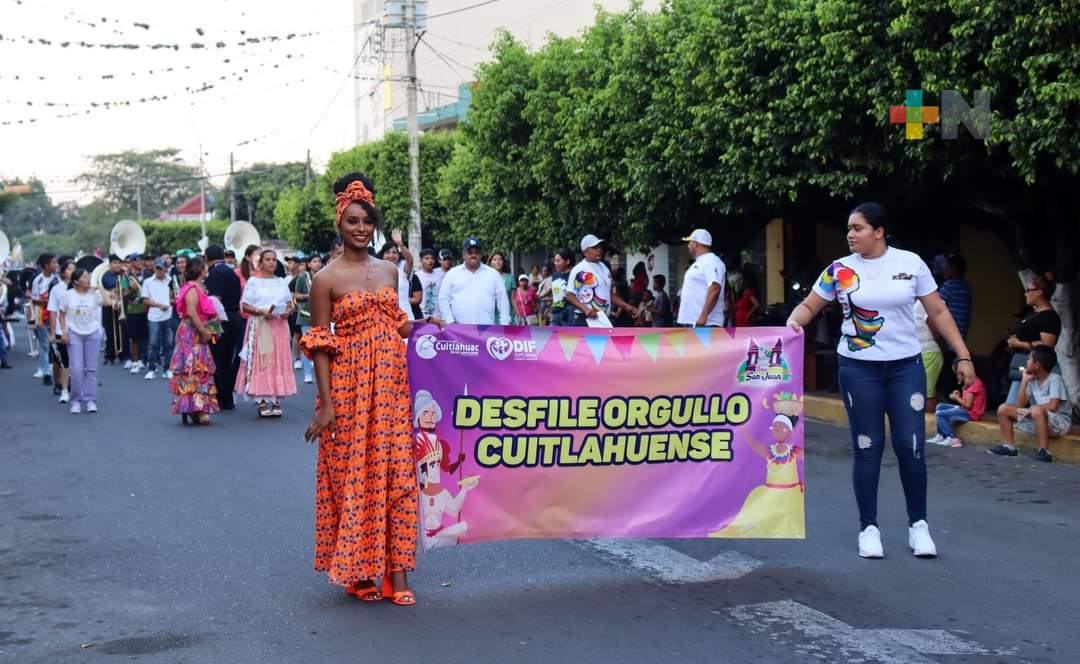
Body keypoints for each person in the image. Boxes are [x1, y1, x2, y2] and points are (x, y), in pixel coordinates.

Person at [785, 202, 974, 559]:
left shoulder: (910, 264)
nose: (850, 235)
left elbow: (938, 310)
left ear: (879, 231)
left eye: (857, 228)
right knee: (867, 448)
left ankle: (919, 526)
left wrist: (962, 354)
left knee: (911, 446)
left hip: (906, 368)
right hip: (859, 369)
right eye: (848, 229)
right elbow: (809, 306)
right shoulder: (838, 270)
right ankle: (868, 528)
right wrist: (795, 321)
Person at [301, 172, 424, 606]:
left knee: (398, 477)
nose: (361, 228)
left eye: (367, 222)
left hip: (392, 384)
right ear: (340, 223)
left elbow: (399, 322)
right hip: (349, 385)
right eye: (353, 220)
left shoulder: (390, 270)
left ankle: (398, 573)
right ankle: (358, 571)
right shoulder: (326, 279)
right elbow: (319, 344)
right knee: (355, 478)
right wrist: (326, 405)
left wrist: (430, 330)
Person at [235, 249, 297, 418]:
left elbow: (289, 303)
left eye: (274, 260)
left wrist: (287, 311)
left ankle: (276, 399)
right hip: (261, 324)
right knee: (263, 361)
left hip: (279, 325)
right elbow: (244, 305)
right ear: (260, 263)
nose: (271, 263)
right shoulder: (253, 281)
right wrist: (261, 311)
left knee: (279, 360)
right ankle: (261, 399)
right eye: (268, 259)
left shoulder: (281, 282)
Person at [991, 346, 1072, 463]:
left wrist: (1032, 409)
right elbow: (1020, 404)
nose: (1026, 362)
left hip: (1058, 423)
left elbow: (1053, 406)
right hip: (1037, 418)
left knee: (1036, 410)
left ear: (1037, 365)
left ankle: (1044, 451)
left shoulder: (1055, 379)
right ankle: (1009, 447)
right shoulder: (1032, 379)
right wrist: (1024, 381)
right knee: (1004, 409)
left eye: (1029, 359)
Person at [169, 256, 220, 425]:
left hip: (198, 330)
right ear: (200, 270)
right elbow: (191, 311)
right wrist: (203, 330)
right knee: (192, 368)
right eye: (205, 268)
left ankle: (199, 406)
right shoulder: (191, 288)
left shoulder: (200, 287)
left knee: (201, 369)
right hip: (192, 332)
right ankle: (194, 407)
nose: (207, 270)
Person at [59, 268, 114, 414]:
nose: (88, 278)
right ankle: (76, 400)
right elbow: (62, 314)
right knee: (76, 370)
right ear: (76, 281)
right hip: (74, 333)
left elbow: (109, 302)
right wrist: (64, 332)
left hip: (92, 333)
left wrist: (100, 288)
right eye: (85, 276)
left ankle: (90, 400)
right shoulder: (68, 295)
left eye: (88, 276)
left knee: (91, 370)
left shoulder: (94, 295)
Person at [1004, 274, 1060, 405]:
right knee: (1011, 408)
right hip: (1023, 366)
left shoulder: (1049, 317)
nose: (1025, 294)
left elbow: (1047, 345)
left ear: (1040, 292)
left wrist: (1020, 343)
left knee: (1035, 410)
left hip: (1038, 369)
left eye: (1028, 290)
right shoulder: (1032, 314)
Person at [204, 245, 243, 410]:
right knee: (227, 359)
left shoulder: (215, 273)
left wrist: (211, 326)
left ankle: (221, 397)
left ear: (207, 258)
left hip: (221, 320)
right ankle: (228, 398)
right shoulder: (231, 272)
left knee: (218, 358)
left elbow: (215, 300)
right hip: (234, 318)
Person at [438, 238, 511, 326]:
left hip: (486, 329)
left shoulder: (493, 274)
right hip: (459, 330)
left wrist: (505, 323)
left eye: (476, 252)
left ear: (481, 254)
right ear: (464, 255)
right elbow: (443, 298)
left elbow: (502, 299)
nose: (473, 255)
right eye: (470, 252)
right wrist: (449, 321)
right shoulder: (452, 274)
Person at [565, 235, 633, 328]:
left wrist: (625, 306)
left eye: (600, 247)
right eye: (594, 248)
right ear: (585, 252)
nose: (599, 250)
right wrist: (586, 310)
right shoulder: (579, 269)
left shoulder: (604, 268)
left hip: (604, 319)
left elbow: (609, 294)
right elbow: (569, 295)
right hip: (586, 319)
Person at [928, 357, 988, 448]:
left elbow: (968, 405)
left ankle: (952, 438)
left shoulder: (974, 384)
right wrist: (959, 396)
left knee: (940, 414)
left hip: (971, 414)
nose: (957, 377)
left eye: (957, 374)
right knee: (940, 406)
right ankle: (941, 435)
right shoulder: (969, 382)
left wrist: (956, 398)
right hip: (965, 410)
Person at [677, 229, 725, 328]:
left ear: (696, 244)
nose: (688, 245)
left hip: (706, 324)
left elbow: (715, 288)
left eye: (690, 242)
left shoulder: (712, 261)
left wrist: (703, 316)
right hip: (695, 323)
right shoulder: (699, 262)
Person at [141, 258, 174, 380]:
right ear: (154, 268)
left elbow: (176, 296)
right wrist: (159, 305)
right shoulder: (148, 282)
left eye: (161, 268)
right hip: (154, 316)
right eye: (157, 268)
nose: (159, 271)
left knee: (169, 344)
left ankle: (167, 369)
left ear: (166, 268)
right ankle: (151, 368)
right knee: (153, 343)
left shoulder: (171, 281)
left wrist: (170, 302)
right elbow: (145, 299)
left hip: (169, 315)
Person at [47, 259, 74, 402]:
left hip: (77, 330)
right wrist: (52, 332)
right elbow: (52, 312)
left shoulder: (79, 288)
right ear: (63, 273)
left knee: (75, 362)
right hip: (60, 329)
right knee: (62, 361)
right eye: (69, 269)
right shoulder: (57, 289)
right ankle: (61, 386)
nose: (72, 271)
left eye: (74, 269)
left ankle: (73, 385)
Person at [292, 253, 322, 384]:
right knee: (307, 345)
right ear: (309, 264)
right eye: (314, 261)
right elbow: (296, 296)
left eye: (319, 261)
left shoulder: (324, 275)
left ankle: (321, 374)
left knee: (321, 345)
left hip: (321, 315)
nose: (317, 264)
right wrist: (310, 296)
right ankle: (307, 373)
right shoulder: (303, 276)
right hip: (306, 315)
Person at [30, 252, 58, 383]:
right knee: (44, 344)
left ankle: (54, 367)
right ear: (45, 266)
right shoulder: (38, 280)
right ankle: (45, 370)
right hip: (43, 314)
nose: (55, 265)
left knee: (56, 343)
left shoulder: (57, 279)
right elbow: (35, 300)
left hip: (56, 315)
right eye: (53, 262)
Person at [121, 254, 148, 374]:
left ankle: (145, 360)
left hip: (147, 309)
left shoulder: (147, 275)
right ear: (131, 263)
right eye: (136, 261)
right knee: (135, 338)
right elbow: (124, 295)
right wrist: (132, 289)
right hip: (132, 310)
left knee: (146, 337)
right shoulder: (126, 277)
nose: (140, 262)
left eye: (141, 260)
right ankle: (135, 361)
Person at [914, 301, 943, 412]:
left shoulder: (923, 303)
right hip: (919, 353)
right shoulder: (912, 303)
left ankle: (931, 425)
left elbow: (936, 328)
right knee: (921, 391)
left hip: (929, 353)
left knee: (928, 393)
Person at [99, 255, 125, 365]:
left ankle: (122, 354)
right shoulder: (106, 276)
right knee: (110, 332)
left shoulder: (123, 275)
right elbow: (109, 288)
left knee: (122, 332)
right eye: (115, 263)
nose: (117, 265)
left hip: (121, 306)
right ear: (110, 264)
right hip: (109, 307)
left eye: (119, 263)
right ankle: (109, 355)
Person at [376, 241, 413, 317]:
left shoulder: (403, 267)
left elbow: (410, 261)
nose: (391, 255)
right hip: (384, 316)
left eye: (394, 252)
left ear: (399, 255)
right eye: (387, 252)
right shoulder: (376, 270)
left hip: (405, 315)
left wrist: (400, 244)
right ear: (382, 255)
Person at [415, 248, 444, 320]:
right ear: (421, 260)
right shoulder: (416, 276)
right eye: (427, 258)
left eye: (432, 258)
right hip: (422, 317)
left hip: (439, 316)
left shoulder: (441, 275)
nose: (430, 261)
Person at [548, 249, 573, 327]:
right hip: (555, 313)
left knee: (568, 338)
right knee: (552, 338)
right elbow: (555, 293)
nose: (555, 263)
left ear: (567, 261)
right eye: (555, 261)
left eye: (558, 261)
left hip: (568, 314)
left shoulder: (573, 275)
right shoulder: (555, 275)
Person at [487, 251, 514, 324]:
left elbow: (513, 298)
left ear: (503, 262)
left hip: (507, 313)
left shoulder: (510, 278)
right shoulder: (486, 278)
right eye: (495, 260)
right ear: (490, 262)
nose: (498, 262)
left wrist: (518, 313)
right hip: (490, 315)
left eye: (500, 259)